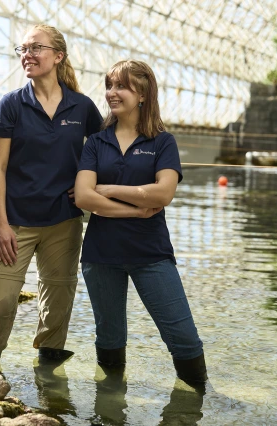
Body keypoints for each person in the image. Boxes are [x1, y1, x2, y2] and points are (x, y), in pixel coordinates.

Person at [0, 24, 103, 369]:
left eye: (36, 48)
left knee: (57, 306)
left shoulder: (82, 107)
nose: (27, 54)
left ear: (58, 56)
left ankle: (49, 382)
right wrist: (1, 225)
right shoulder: (11, 104)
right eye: (23, 49)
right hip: (16, 223)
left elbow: (108, 152)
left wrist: (91, 185)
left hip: (64, 221)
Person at [74, 60, 208, 384]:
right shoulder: (96, 142)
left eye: (121, 86)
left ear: (144, 93)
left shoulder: (163, 142)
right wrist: (134, 207)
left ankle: (195, 407)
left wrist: (110, 190)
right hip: (101, 254)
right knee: (109, 338)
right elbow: (83, 197)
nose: (111, 93)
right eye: (109, 86)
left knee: (184, 337)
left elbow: (163, 194)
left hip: (151, 252)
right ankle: (109, 409)